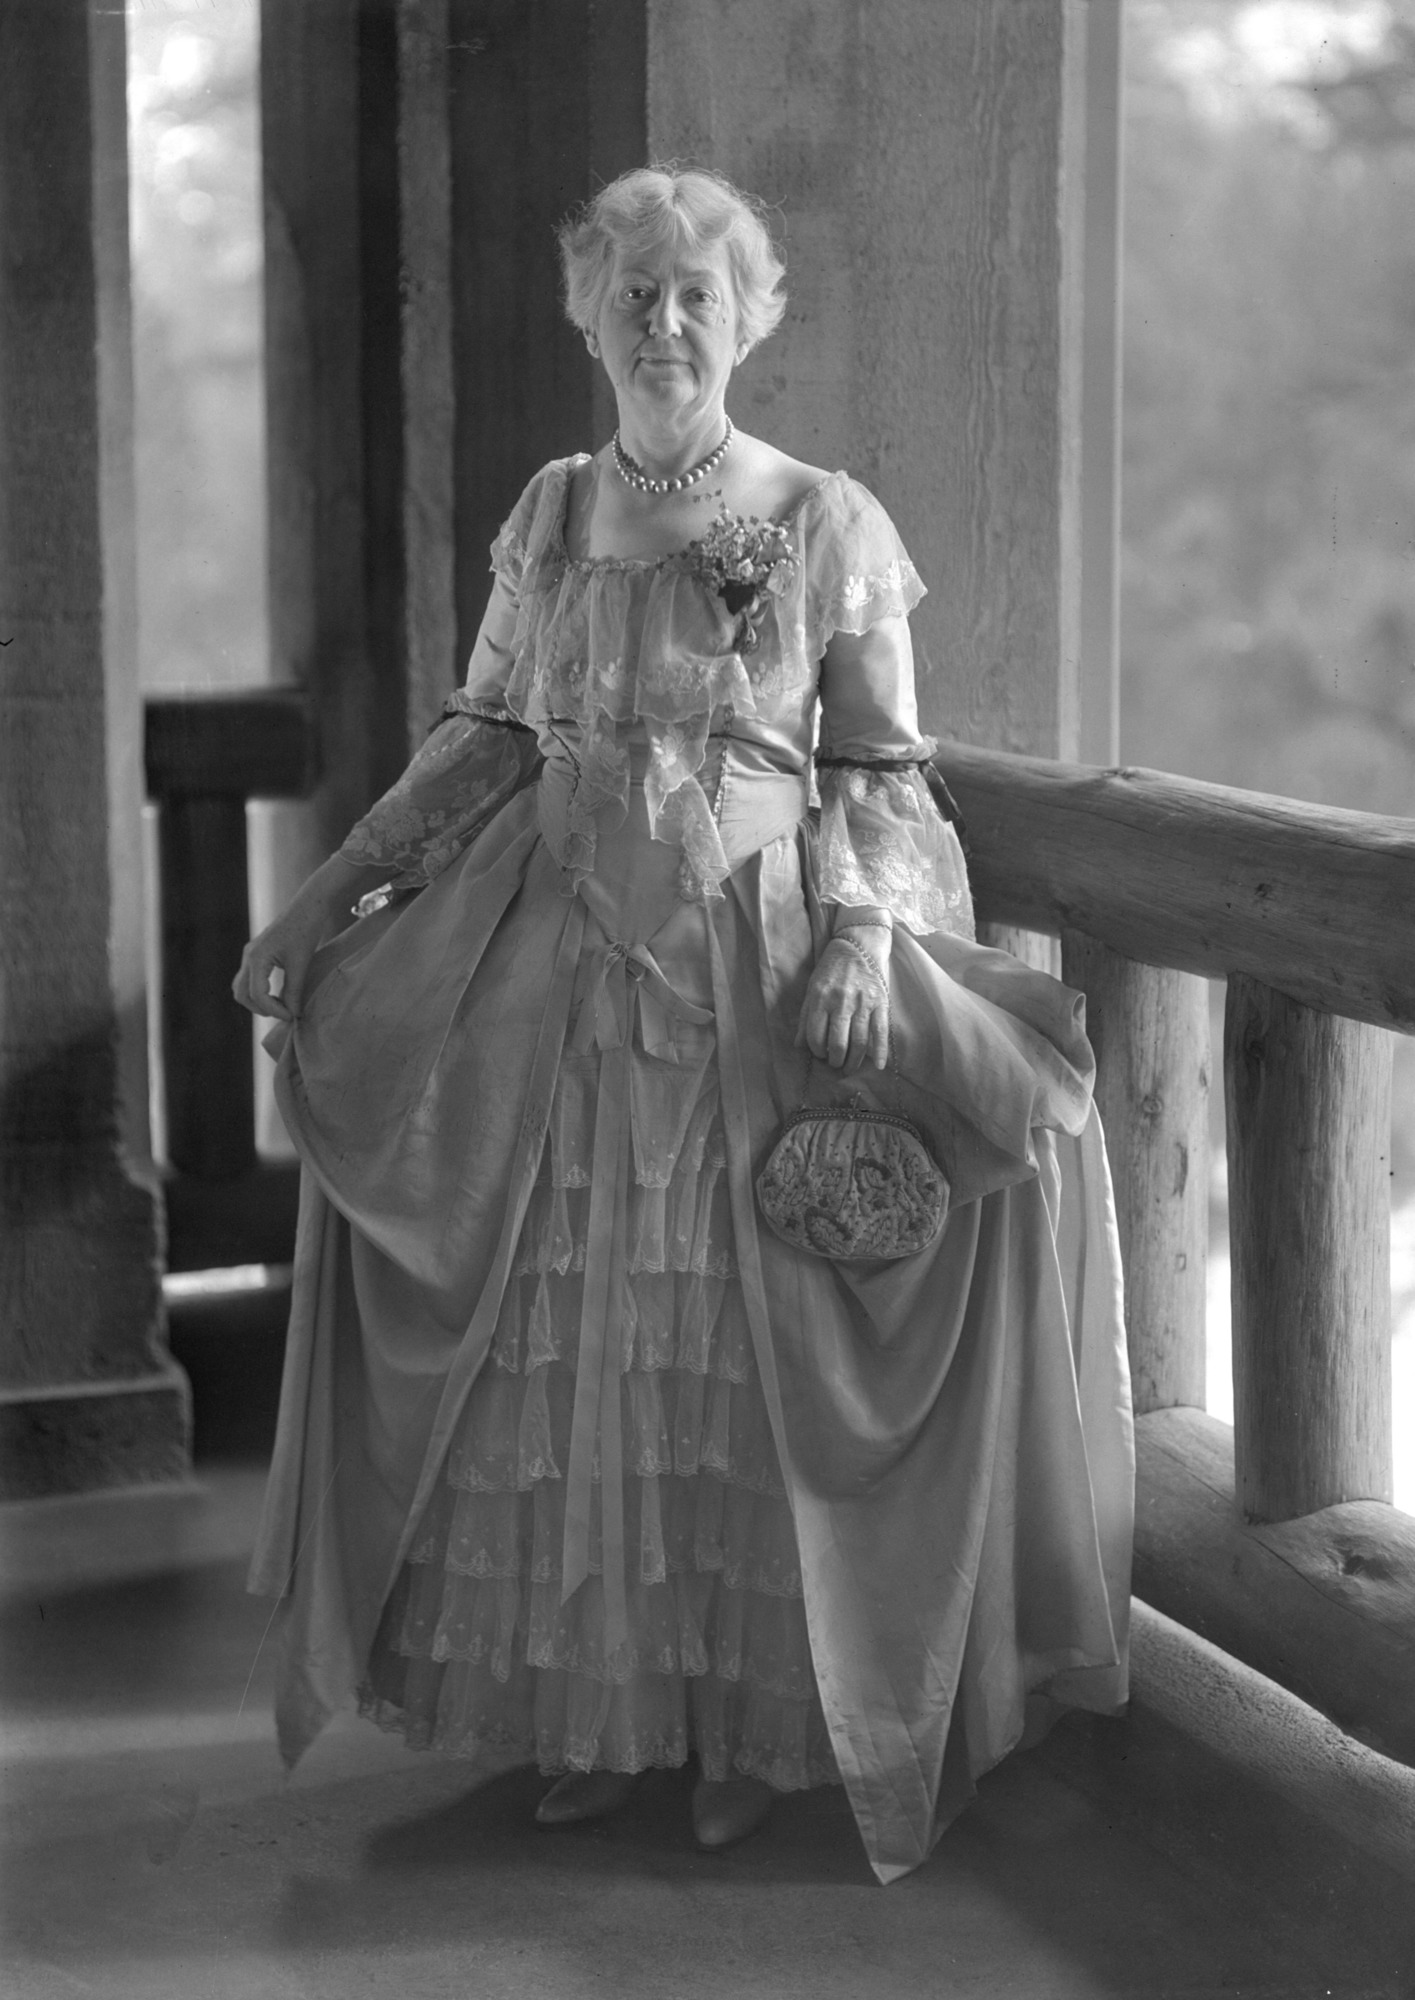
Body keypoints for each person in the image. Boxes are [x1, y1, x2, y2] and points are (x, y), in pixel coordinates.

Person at [235, 165, 1133, 1885]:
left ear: (749, 318)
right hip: (556, 994)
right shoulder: (552, 511)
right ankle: (606, 1717)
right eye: (633, 294)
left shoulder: (823, 518)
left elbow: (880, 766)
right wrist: (317, 901)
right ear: (590, 316)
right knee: (564, 1355)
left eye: (694, 297)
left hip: (753, 969)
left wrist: (865, 932)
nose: (663, 323)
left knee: (741, 1354)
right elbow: (481, 737)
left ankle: (753, 1739)